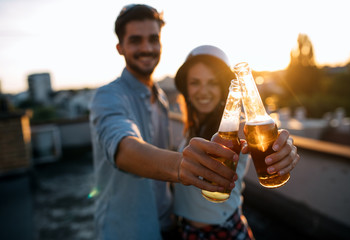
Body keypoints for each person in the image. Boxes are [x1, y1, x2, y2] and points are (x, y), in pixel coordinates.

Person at [89, 5, 240, 240]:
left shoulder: (160, 99)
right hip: (127, 231)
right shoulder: (108, 96)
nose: (147, 48)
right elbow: (124, 147)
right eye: (136, 40)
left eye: (153, 39)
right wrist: (181, 166)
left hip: (169, 227)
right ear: (120, 48)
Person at [173, 45, 300, 240]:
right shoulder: (193, 126)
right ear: (186, 88)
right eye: (195, 82)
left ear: (224, 86)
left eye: (212, 83)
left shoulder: (233, 128)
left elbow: (261, 131)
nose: (203, 91)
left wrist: (285, 149)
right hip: (188, 230)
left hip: (221, 232)